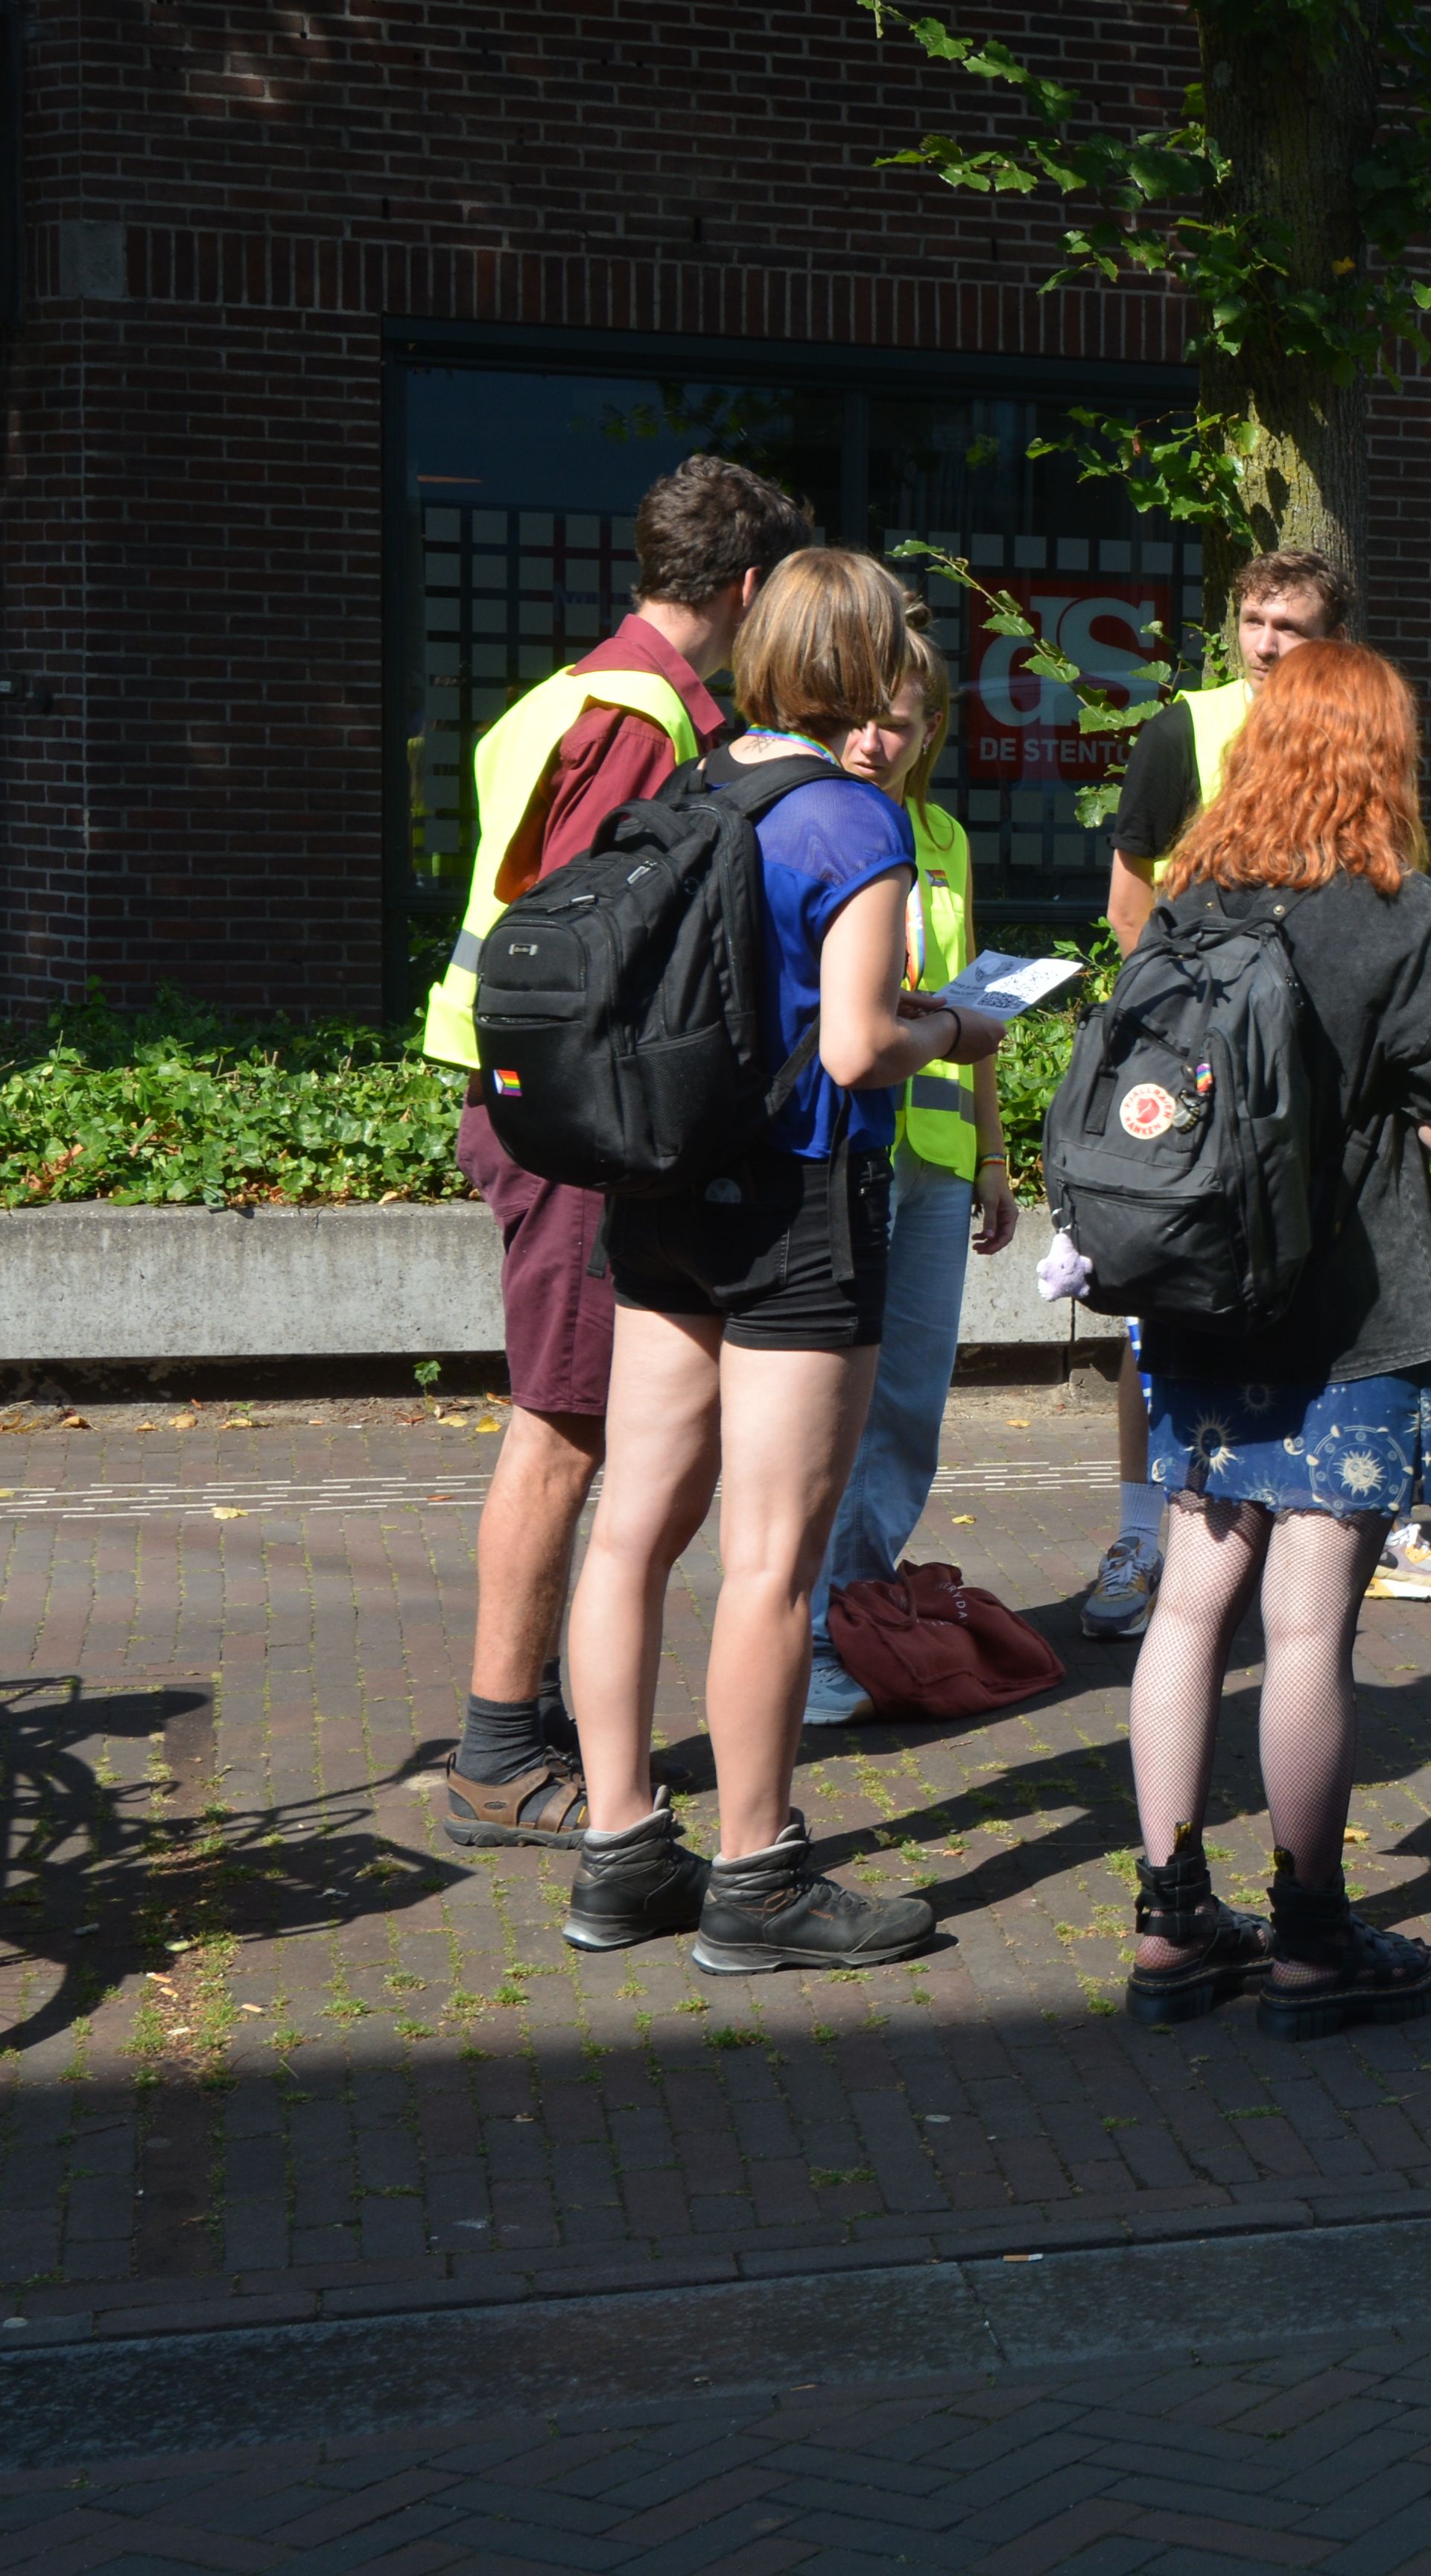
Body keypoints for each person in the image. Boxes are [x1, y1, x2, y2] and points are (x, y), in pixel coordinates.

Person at [556, 548, 1004, 1971]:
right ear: (866, 663)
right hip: (800, 1204)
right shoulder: (851, 820)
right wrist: (959, 1031)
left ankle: (619, 1850)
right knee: (770, 1561)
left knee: (630, 1528)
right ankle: (757, 1875)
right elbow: (864, 1042)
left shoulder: (687, 787)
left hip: (664, 1188)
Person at [1115, 639, 1431, 2039]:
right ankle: (1308, 1934)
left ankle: (1170, 1924)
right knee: (1306, 1631)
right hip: (1351, 1311)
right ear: (1380, 757)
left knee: (1186, 1602)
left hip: (1198, 1294)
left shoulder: (1187, 903)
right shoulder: (1400, 915)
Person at [425, 452, 810, 1850]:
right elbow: (605, 948)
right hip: (573, 1126)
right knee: (565, 1423)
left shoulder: (565, 695)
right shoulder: (647, 721)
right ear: (754, 589)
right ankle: (494, 1754)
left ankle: (521, 1732)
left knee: (572, 1418)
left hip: (523, 1100)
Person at [1088, 548, 1431, 1628]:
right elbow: (1136, 912)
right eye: (1253, 619)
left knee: (1210, 1588)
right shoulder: (1188, 730)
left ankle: (1369, 1528)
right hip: (1211, 1124)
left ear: (1335, 642)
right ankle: (1138, 1534)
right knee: (1298, 1616)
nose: (1265, 645)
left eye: (1290, 627)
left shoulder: (1357, 741)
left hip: (1307, 1131)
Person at [804, 632, 1020, 1725]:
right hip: (842, 1157)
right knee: (829, 1412)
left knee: (906, 1414)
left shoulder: (940, 838)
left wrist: (992, 1156)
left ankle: (855, 1608)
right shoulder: (813, 822)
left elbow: (972, 1014)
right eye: (862, 714)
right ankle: (811, 1636)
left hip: (933, 1169)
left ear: (931, 732)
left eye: (900, 719)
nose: (875, 738)